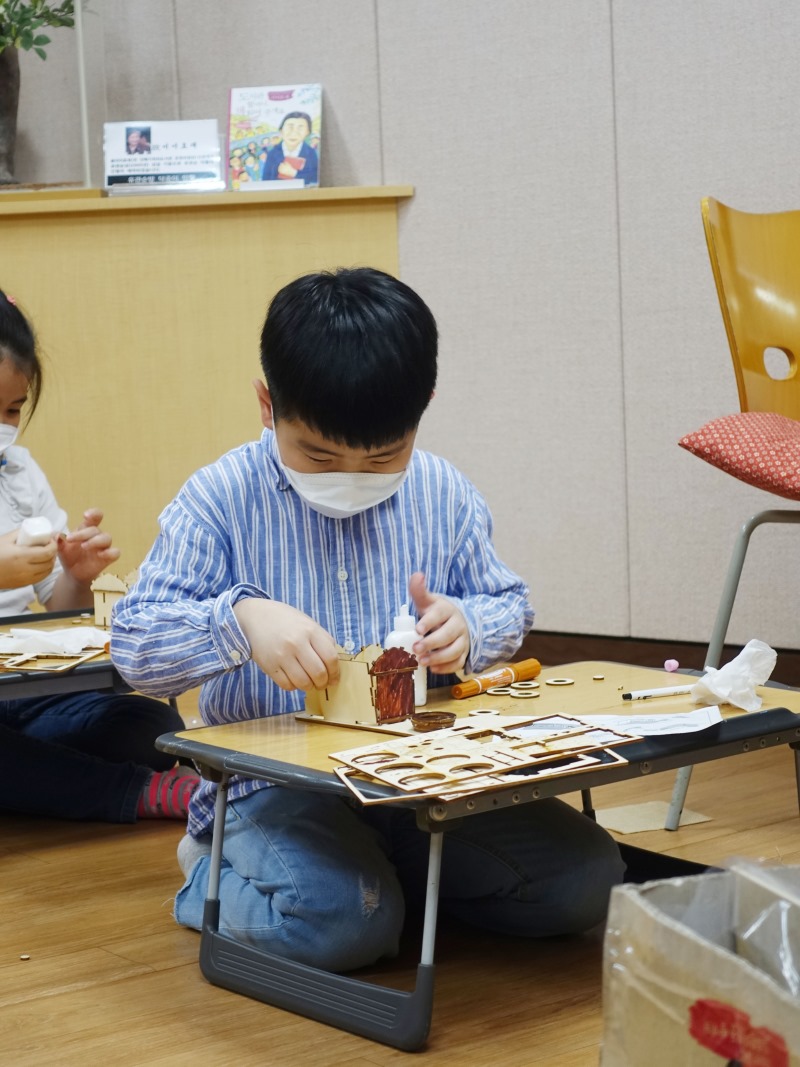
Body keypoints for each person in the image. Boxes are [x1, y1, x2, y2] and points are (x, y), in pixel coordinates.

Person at [111, 268, 624, 972]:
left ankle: (384, 886)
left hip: (417, 780)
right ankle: (213, 871)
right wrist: (241, 618)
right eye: (319, 454)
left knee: (587, 881)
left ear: (423, 409)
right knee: (343, 924)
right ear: (268, 404)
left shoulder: (443, 491)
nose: (351, 474)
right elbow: (135, 647)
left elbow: (509, 603)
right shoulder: (220, 497)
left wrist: (468, 628)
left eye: (384, 456)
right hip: (274, 791)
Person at [0, 290, 199, 823]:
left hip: (21, 694)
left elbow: (55, 607)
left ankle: (57, 776)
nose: (4, 424)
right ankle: (134, 792)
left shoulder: (18, 473)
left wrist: (75, 575)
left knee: (143, 725)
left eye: (13, 409)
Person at [261, 111, 318, 185]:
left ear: (307, 132)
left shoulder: (311, 153)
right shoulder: (272, 154)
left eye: (300, 128)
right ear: (281, 130)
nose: (294, 132)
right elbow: (265, 181)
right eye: (290, 127)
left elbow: (315, 179)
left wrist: (294, 173)